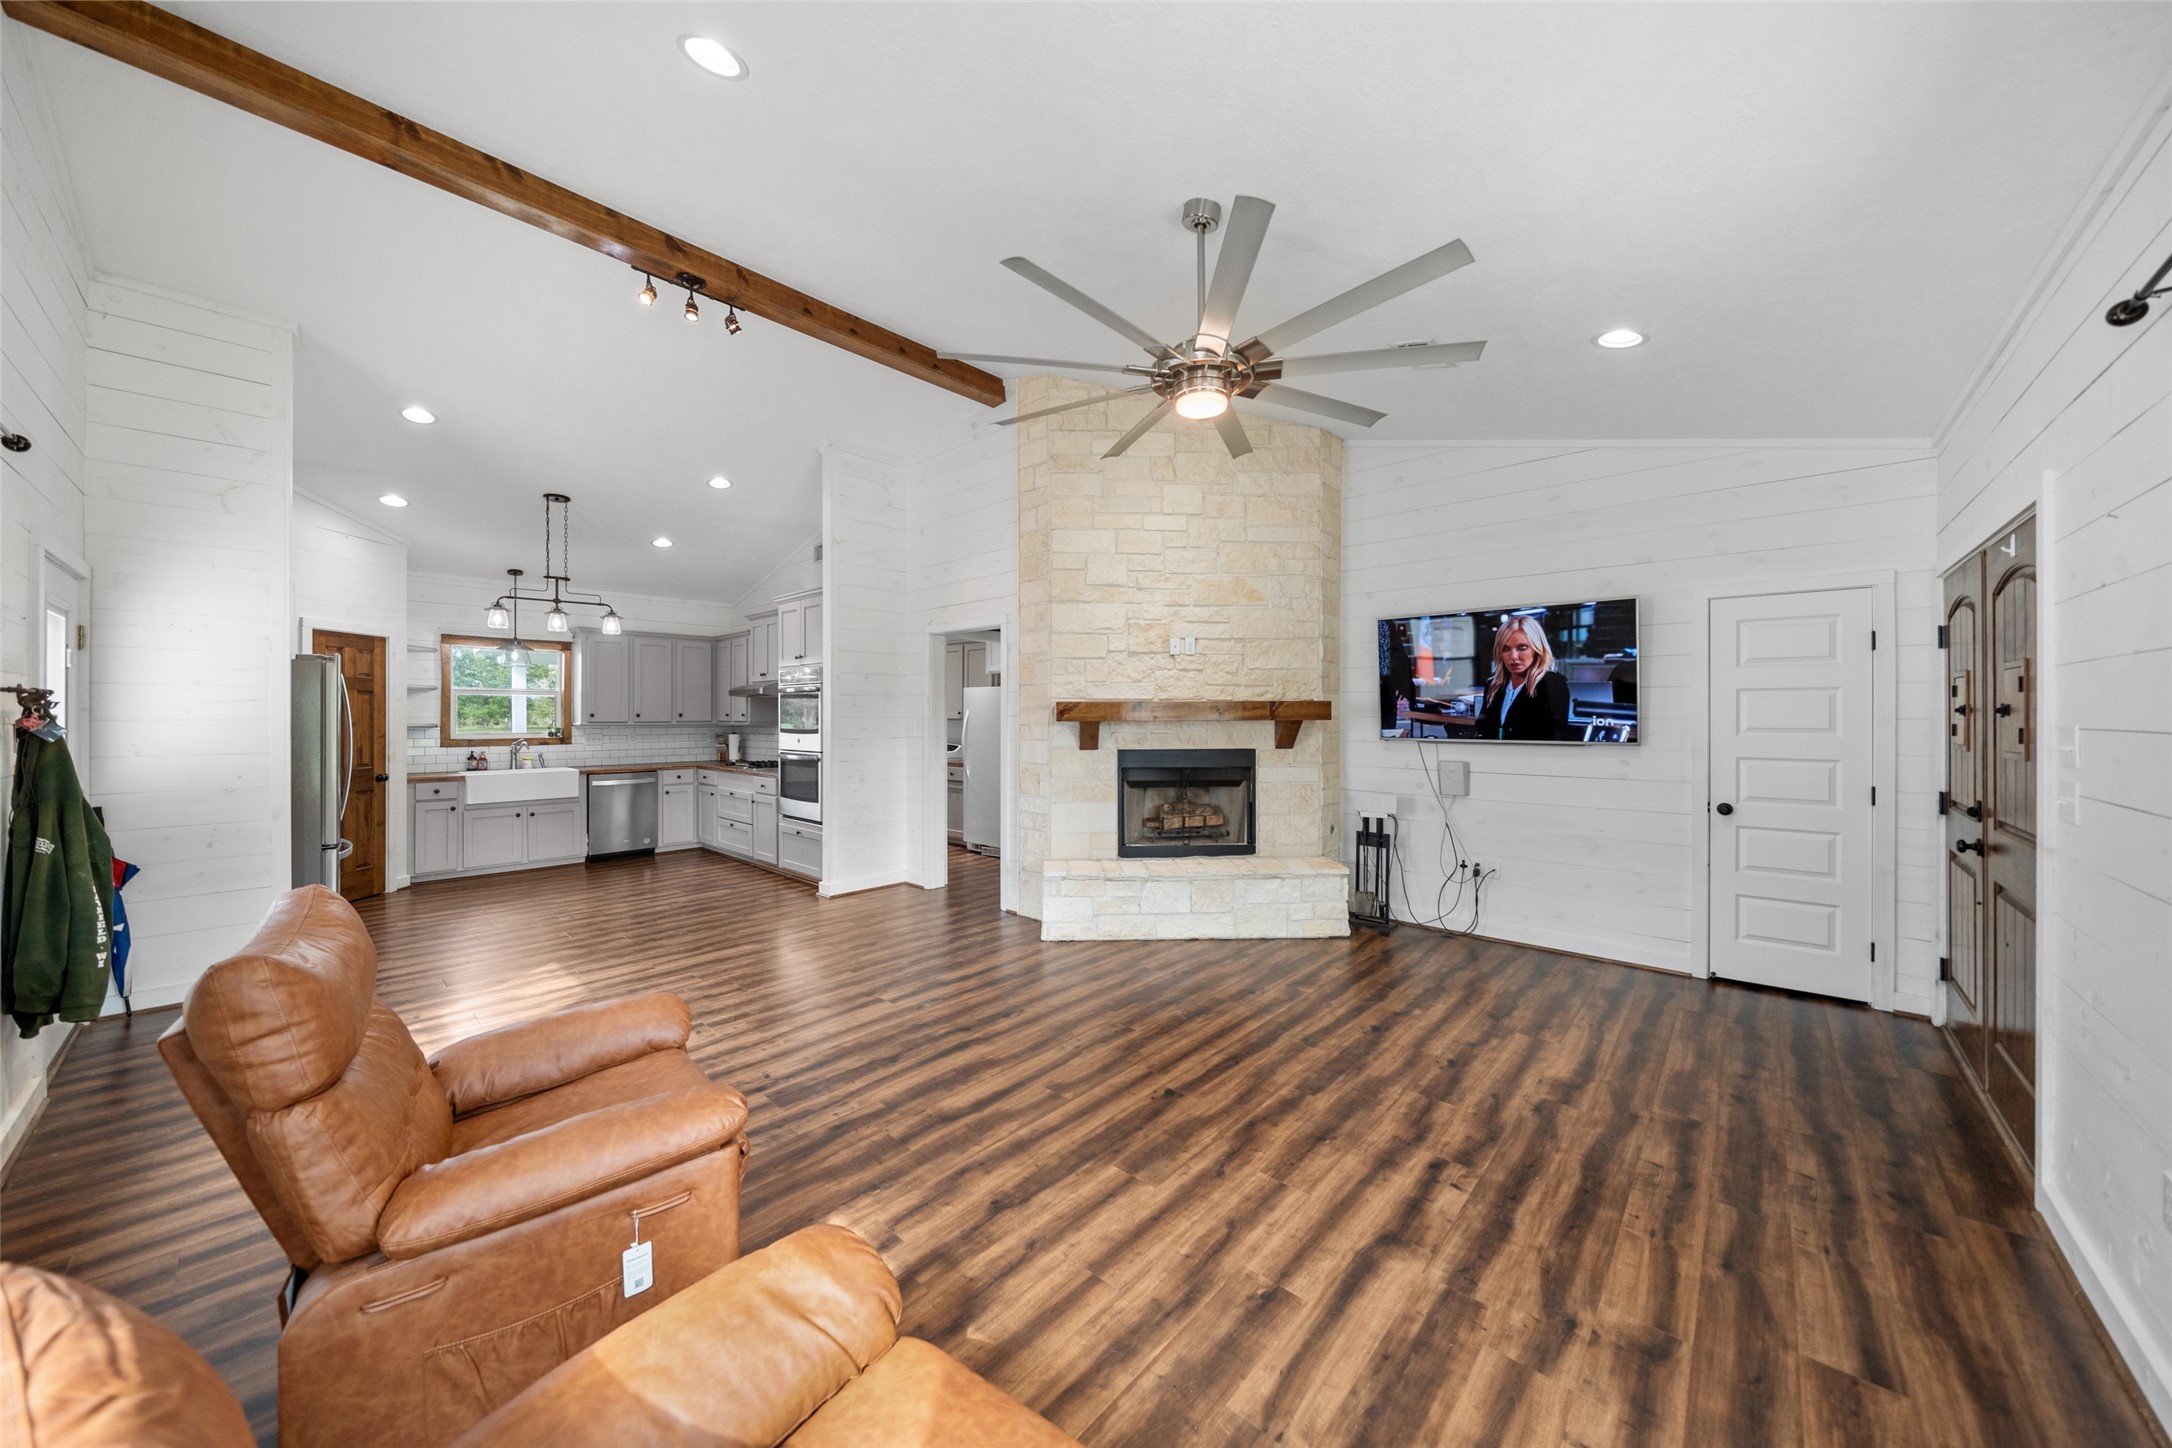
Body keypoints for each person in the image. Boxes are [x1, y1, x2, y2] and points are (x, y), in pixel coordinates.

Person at [1473, 615, 1575, 741]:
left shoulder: (1551, 684)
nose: (1513, 656)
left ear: (1537, 649)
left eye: (1522, 648)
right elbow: (1483, 730)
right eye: (1506, 649)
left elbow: (1553, 739)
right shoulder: (1494, 685)